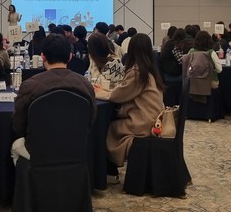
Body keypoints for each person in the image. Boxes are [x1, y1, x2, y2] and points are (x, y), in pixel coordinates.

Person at [11, 33, 96, 163]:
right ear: (70, 57)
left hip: (38, 149)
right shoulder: (85, 84)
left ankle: (26, 175)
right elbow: (90, 121)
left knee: (15, 146)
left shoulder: (30, 85)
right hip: (75, 148)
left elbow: (19, 126)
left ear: (43, 56)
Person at [95, 33, 165, 170]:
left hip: (143, 122)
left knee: (107, 127)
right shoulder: (150, 70)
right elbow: (123, 91)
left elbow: (117, 96)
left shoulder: (137, 72)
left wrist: (97, 92)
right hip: (153, 118)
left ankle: (107, 168)